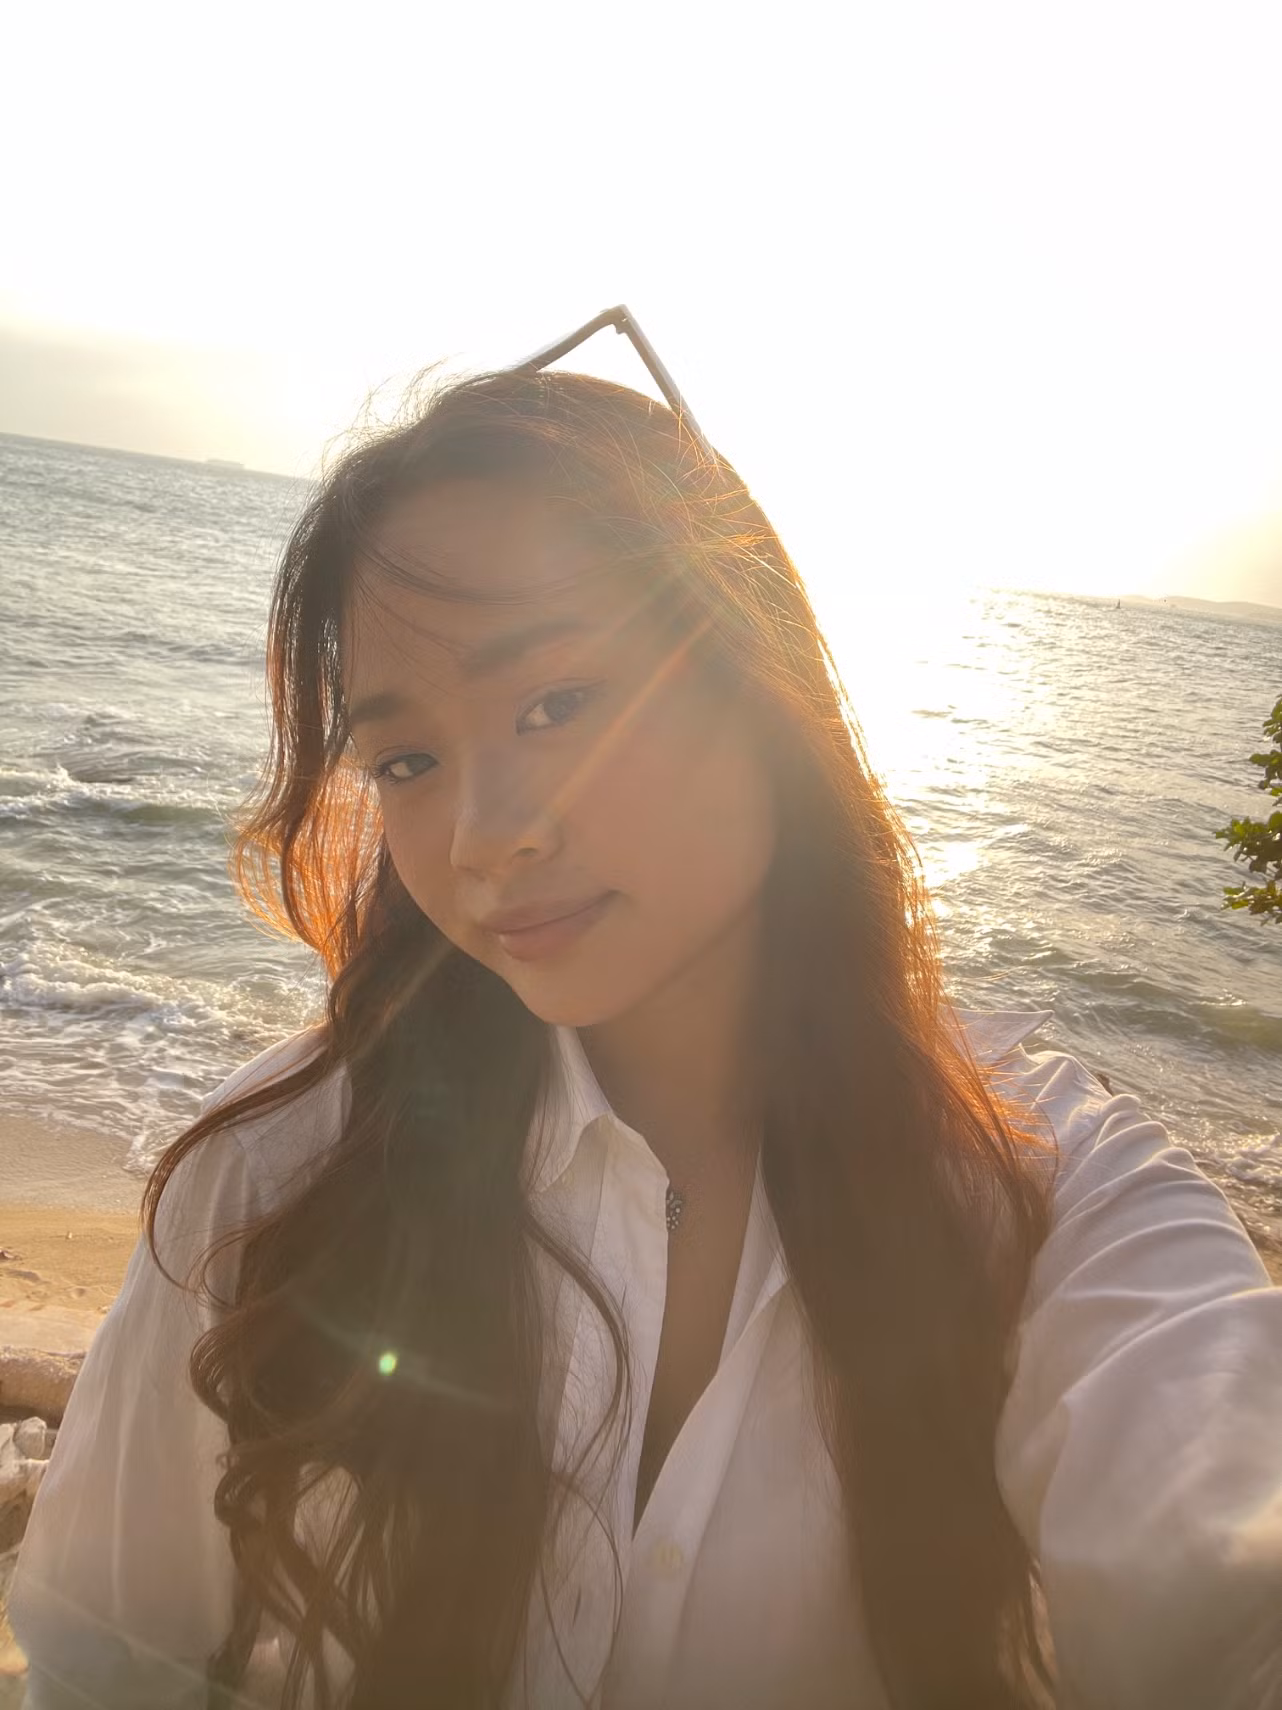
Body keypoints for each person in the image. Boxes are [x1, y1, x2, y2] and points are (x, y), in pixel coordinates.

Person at [10, 358, 1282, 1710]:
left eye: (556, 702)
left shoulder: (1041, 1190)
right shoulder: (273, 1184)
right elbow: (106, 1659)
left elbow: (1219, 1554)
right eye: (407, 762)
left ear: (758, 682)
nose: (486, 833)